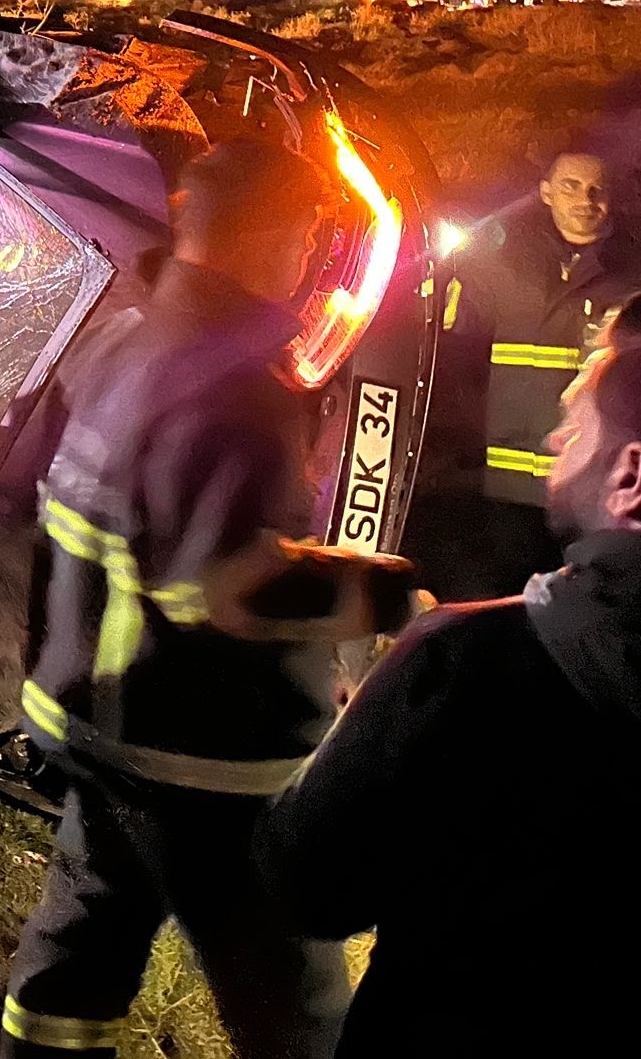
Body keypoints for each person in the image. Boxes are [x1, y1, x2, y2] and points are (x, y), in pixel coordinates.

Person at [3, 139, 413, 1059]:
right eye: (306, 234)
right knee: (292, 1005)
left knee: (77, 955)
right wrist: (387, 598)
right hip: (202, 759)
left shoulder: (116, 337)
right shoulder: (233, 393)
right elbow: (232, 590)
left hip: (94, 726)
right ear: (267, 236)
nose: (311, 258)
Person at [259, 295, 641, 1054]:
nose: (556, 437)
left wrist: (354, 732)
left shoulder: (469, 663)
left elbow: (303, 885)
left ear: (631, 474)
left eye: (578, 421)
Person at [410, 148, 636, 600]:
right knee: (504, 608)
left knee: (581, 613)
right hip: (508, 491)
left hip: (588, 491)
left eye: (597, 190)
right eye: (570, 185)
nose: (585, 199)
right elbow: (456, 351)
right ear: (546, 193)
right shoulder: (500, 265)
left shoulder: (631, 273)